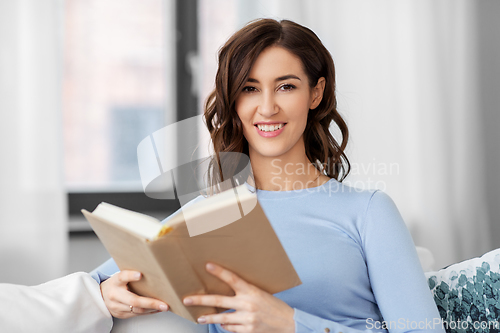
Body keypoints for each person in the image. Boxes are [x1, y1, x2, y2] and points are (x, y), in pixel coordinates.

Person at [91, 19, 445, 333]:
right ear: (234, 102)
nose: (267, 107)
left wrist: (291, 324)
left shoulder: (368, 212)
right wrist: (106, 293)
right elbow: (100, 281)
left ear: (315, 93)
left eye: (286, 86)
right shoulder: (206, 214)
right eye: (249, 88)